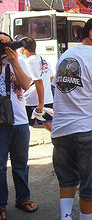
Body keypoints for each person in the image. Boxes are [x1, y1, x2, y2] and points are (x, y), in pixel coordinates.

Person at [51, 17, 92, 220]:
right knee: (91, 183)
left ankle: (65, 217)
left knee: (68, 179)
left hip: (60, 130)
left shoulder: (65, 56)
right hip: (87, 129)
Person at [0, 32, 38, 220]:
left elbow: (24, 85)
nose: (7, 49)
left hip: (21, 122)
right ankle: (0, 204)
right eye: (2, 45)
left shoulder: (20, 62)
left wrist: (14, 62)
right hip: (1, 125)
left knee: (21, 165)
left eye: (9, 45)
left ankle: (23, 198)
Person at [22, 37, 54, 132]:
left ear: (23, 49)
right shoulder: (44, 60)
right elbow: (51, 78)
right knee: (49, 125)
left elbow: (38, 81)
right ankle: (62, 143)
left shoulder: (29, 61)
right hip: (47, 98)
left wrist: (41, 103)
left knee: (24, 126)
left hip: (33, 101)